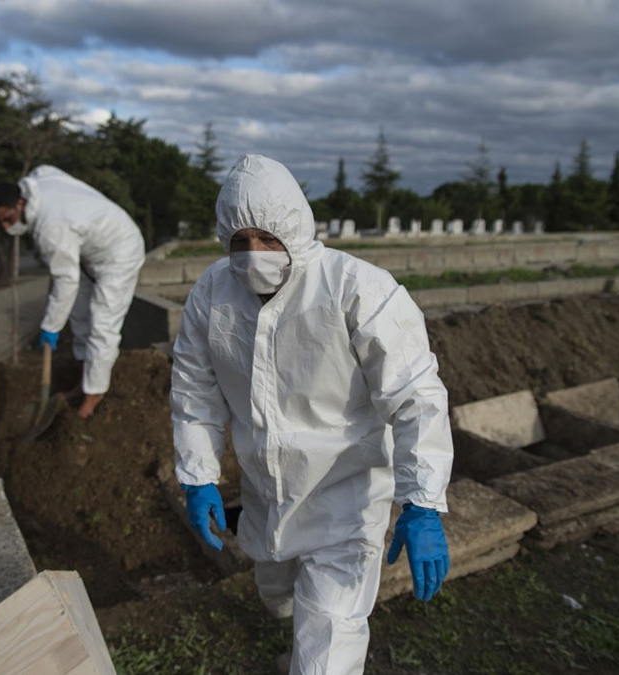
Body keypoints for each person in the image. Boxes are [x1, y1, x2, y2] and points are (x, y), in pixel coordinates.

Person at [171, 155, 455, 674]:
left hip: (345, 502)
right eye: (240, 241)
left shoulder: (358, 290)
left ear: (297, 230)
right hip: (265, 495)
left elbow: (416, 397)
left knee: (325, 648)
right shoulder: (213, 293)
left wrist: (423, 504)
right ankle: (294, 628)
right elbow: (195, 390)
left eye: (268, 238)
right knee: (275, 593)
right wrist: (198, 476)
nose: (254, 254)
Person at [0, 165, 146, 419]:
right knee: (79, 316)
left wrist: (50, 325)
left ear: (20, 202)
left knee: (102, 325)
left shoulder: (50, 228)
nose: (7, 227)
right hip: (87, 250)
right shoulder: (35, 183)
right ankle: (84, 380)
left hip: (121, 251)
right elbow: (45, 169)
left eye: (9, 219)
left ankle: (94, 396)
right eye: (1, 222)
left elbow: (66, 280)